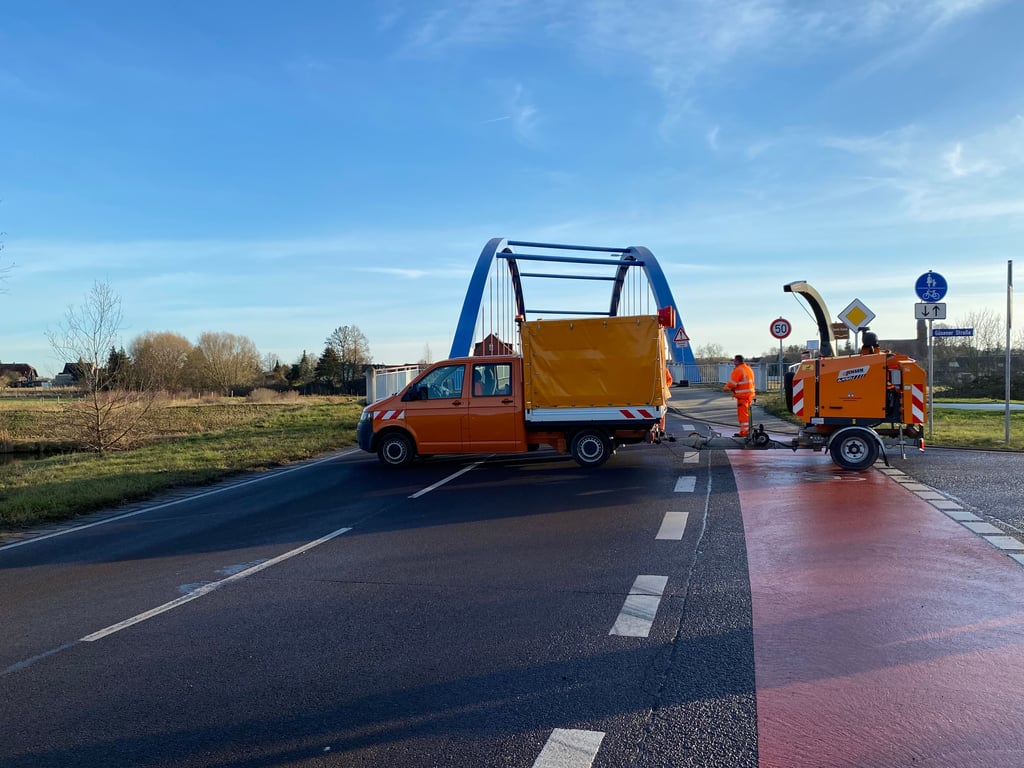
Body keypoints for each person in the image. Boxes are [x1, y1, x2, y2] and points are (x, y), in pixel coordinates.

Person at [723, 354, 755, 438]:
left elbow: (733, 383)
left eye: (734, 360)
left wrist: (726, 387)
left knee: (743, 415)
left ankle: (744, 432)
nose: (733, 362)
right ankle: (748, 431)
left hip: (742, 396)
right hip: (749, 395)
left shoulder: (738, 370)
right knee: (747, 414)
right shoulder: (748, 369)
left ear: (737, 361)